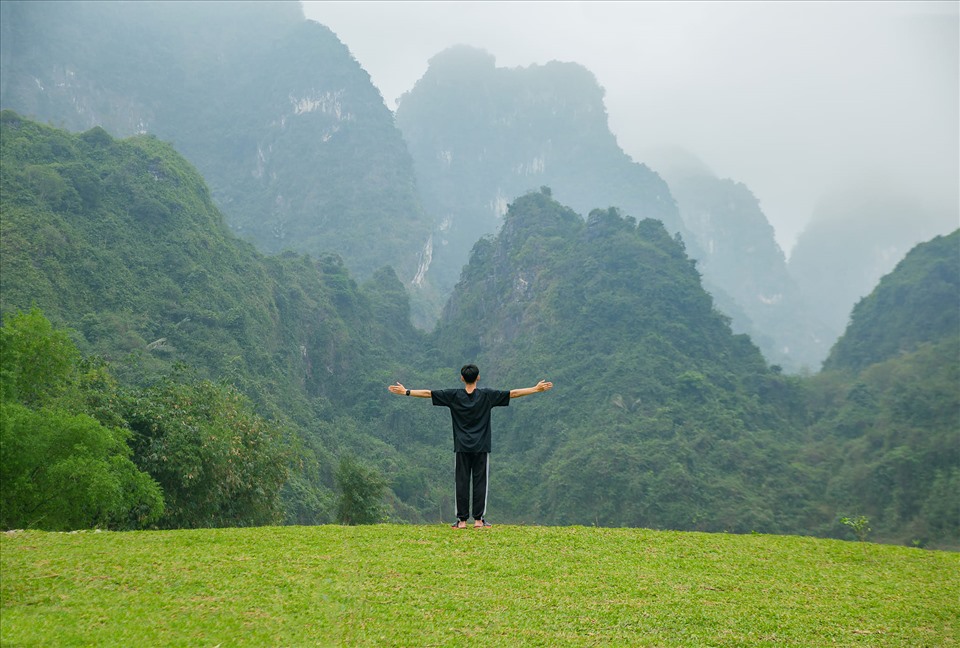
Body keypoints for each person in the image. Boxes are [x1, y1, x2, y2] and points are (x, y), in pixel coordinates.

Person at [388, 364, 553, 529]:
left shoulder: (453, 395)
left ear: (462, 378)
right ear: (478, 377)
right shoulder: (487, 395)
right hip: (481, 446)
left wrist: (406, 391)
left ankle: (461, 521)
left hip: (462, 446)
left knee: (461, 482)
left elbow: (428, 393)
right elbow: (513, 393)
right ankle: (479, 520)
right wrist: (536, 389)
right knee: (480, 482)